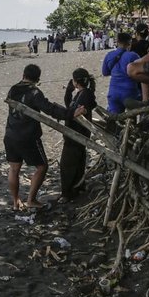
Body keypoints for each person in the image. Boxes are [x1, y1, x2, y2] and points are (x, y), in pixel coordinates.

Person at [4, 64, 86, 210]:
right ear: (37, 79)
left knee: (14, 168)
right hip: (28, 137)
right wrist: (70, 113)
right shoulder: (35, 92)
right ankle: (31, 200)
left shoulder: (13, 89)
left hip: (10, 134)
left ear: (23, 75)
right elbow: (49, 109)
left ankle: (16, 201)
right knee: (42, 167)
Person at [59, 68, 97, 202]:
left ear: (76, 81)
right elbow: (70, 107)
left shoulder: (86, 94)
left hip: (77, 135)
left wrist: (74, 111)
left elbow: (76, 111)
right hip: (75, 134)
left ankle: (67, 194)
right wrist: (68, 91)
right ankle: (78, 188)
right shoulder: (82, 93)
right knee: (77, 161)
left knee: (67, 164)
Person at [101, 32, 142, 113]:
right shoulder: (133, 56)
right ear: (130, 43)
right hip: (130, 92)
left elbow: (105, 72)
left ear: (117, 42)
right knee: (131, 119)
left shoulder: (109, 55)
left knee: (116, 119)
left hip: (113, 93)